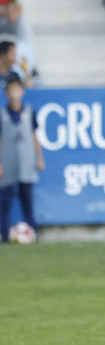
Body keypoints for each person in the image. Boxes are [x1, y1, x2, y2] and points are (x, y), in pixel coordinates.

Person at [0, 77, 41, 244]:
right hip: (8, 163)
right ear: (6, 93)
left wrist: (39, 158)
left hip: (26, 163)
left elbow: (34, 137)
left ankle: (32, 234)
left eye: (18, 90)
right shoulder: (2, 115)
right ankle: (4, 235)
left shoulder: (30, 112)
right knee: (4, 202)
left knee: (28, 201)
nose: (15, 94)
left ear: (23, 92)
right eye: (11, 90)